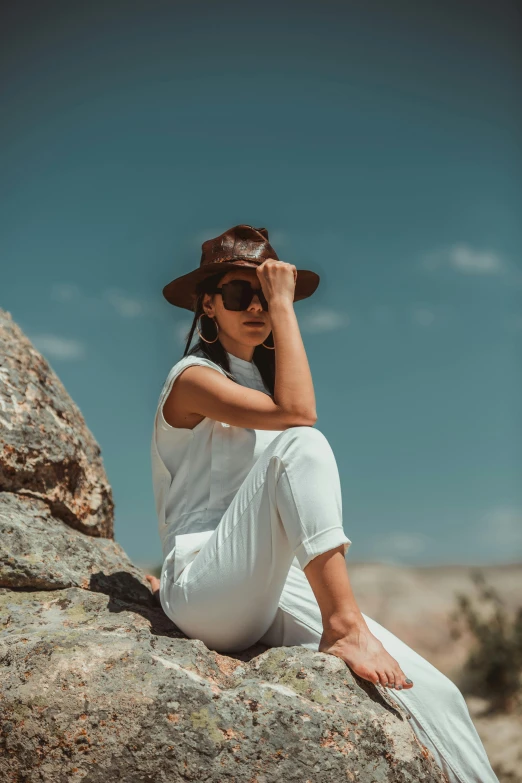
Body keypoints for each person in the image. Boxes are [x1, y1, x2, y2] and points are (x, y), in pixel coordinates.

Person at [146, 225, 499, 783]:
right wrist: (287, 308)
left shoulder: (258, 391)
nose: (258, 306)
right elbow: (300, 414)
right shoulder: (192, 378)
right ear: (207, 304)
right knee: (303, 443)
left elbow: (287, 414)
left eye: (267, 293)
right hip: (204, 586)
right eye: (242, 294)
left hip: (264, 583)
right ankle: (344, 624)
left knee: (438, 693)